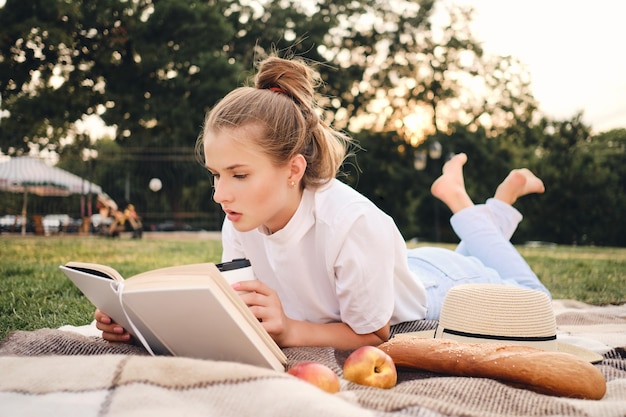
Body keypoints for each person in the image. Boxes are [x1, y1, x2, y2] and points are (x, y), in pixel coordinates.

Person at [95, 56, 549, 350]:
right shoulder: (240, 219)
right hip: (382, 269)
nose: (220, 193)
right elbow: (240, 312)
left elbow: (375, 333)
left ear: (293, 170)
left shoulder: (352, 225)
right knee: (480, 261)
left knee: (535, 301)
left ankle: (465, 203)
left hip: (433, 289)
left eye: (239, 174)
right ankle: (482, 209)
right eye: (216, 175)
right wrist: (140, 323)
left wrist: (292, 331)